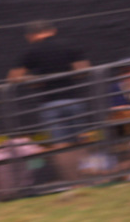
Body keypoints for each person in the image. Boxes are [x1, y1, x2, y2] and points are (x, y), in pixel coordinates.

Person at [6, 20, 92, 149]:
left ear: (30, 35)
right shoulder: (70, 46)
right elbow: (83, 71)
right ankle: (89, 168)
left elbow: (13, 77)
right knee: (81, 139)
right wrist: (66, 73)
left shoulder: (30, 52)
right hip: (73, 99)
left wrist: (35, 81)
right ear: (53, 31)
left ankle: (69, 169)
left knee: (61, 144)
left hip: (50, 103)